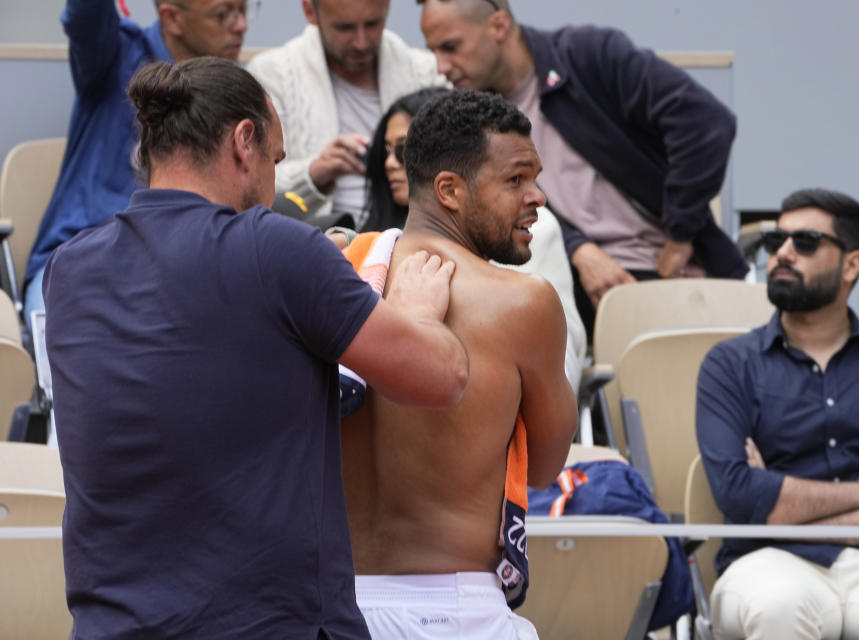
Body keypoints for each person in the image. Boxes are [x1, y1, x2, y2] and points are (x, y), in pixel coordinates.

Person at [44, 57, 469, 639]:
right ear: (245, 141)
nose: (275, 181)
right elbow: (439, 376)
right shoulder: (275, 249)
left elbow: (208, 378)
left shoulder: (68, 271)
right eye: (276, 159)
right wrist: (416, 311)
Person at [341, 89, 578, 639]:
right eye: (516, 179)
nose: (538, 197)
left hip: (332, 606)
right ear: (449, 189)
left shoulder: (335, 275)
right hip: (456, 612)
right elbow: (543, 469)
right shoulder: (524, 303)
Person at [696, 188, 859, 639]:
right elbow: (739, 492)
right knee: (780, 606)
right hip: (768, 563)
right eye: (778, 240)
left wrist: (784, 508)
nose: (782, 253)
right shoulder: (730, 365)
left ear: (851, 264)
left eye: (805, 242)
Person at [417, 0, 748, 335]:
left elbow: (706, 124)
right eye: (433, 51)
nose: (441, 66)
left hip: (677, 270)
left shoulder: (589, 55)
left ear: (499, 26)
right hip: (568, 278)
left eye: (450, 47)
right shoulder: (471, 117)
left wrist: (680, 235)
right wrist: (578, 249)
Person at [23, 0, 251, 330]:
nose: (241, 25)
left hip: (181, 273)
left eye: (245, 10)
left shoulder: (234, 91)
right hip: (78, 260)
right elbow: (84, 16)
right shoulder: (115, 56)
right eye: (224, 13)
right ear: (172, 17)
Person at [362, 85, 587, 390]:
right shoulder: (359, 255)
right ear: (448, 189)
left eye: (403, 150)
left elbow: (564, 362)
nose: (391, 163)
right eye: (387, 151)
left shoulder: (531, 255)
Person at [247, 0, 446, 228]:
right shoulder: (271, 75)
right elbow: (248, 183)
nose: (361, 42)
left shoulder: (428, 71)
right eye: (344, 28)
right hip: (315, 248)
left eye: (373, 24)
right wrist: (313, 175)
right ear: (310, 11)